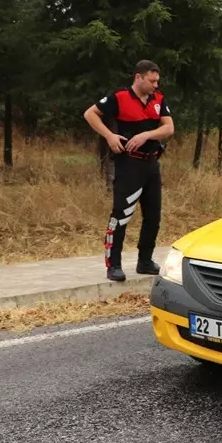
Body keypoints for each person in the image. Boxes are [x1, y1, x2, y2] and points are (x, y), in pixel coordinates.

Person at [84, 60, 175, 282]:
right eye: (151, 81)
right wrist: (109, 135)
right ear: (138, 77)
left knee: (153, 216)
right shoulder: (119, 97)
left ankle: (145, 261)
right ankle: (113, 264)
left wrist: (146, 135)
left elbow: (169, 128)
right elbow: (90, 114)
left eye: (157, 81)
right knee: (122, 214)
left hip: (151, 164)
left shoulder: (158, 99)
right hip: (129, 164)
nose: (155, 85)